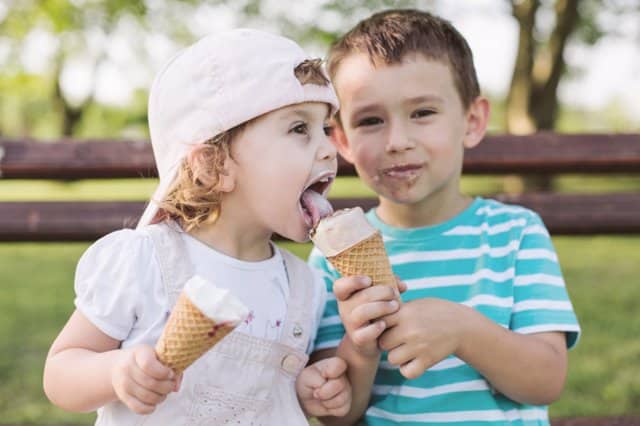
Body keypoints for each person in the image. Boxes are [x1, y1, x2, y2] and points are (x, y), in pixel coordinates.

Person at [43, 29, 352, 425]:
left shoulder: (305, 287)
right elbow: (60, 371)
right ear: (214, 166)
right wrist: (115, 372)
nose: (329, 148)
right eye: (298, 129)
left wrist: (310, 389)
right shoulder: (146, 262)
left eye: (325, 128)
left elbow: (267, 394)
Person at [309, 9, 581, 425]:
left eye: (422, 113)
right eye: (370, 121)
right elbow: (336, 416)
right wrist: (359, 348)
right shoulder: (333, 258)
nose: (397, 141)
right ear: (342, 139)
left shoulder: (515, 235)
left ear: (471, 122)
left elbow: (546, 380)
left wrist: (463, 331)